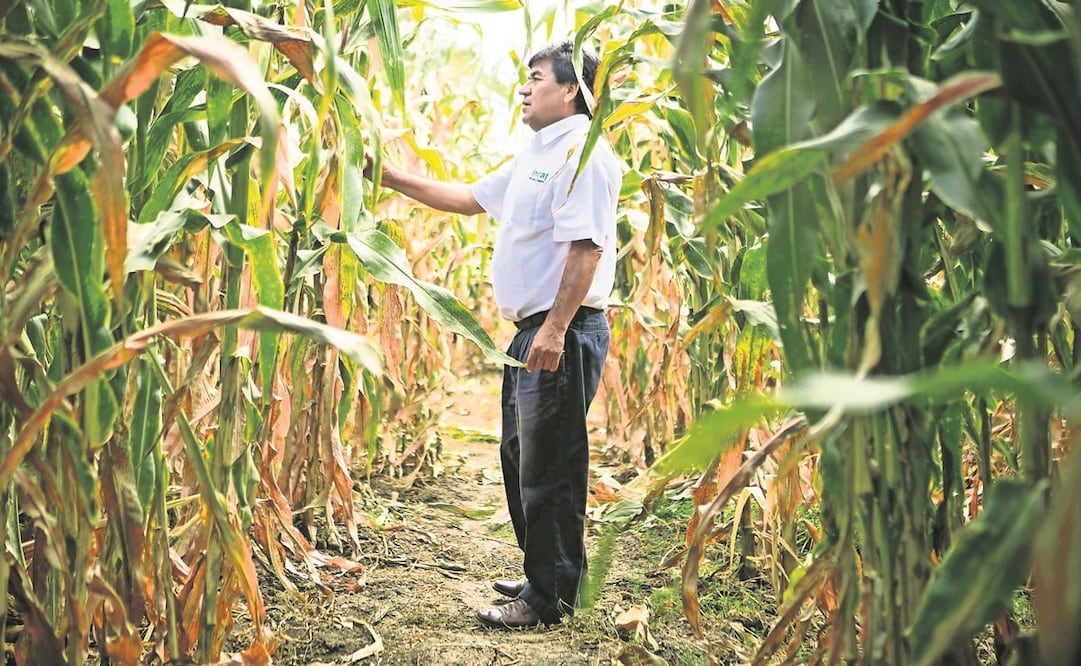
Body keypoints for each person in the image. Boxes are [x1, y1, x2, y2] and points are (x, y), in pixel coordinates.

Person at [367, 40, 623, 629]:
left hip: (559, 330)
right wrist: (386, 177)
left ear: (572, 90)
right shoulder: (537, 154)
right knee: (520, 454)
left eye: (536, 78)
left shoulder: (583, 154)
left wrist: (556, 328)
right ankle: (550, 573)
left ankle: (547, 596)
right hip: (531, 332)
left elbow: (587, 249)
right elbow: (467, 200)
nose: (525, 89)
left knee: (549, 463)